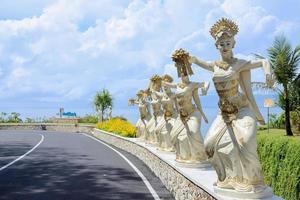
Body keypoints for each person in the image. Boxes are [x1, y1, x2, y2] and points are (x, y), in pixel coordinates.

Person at [187, 18, 274, 196]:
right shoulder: (214, 66)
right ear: (216, 46)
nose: (225, 46)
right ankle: (228, 179)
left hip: (242, 110)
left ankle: (254, 182)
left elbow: (263, 62)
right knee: (210, 145)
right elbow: (199, 62)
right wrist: (190, 59)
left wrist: (268, 72)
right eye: (221, 44)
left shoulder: (240, 64)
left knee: (246, 142)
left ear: (233, 43)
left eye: (228, 43)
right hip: (224, 112)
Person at [163, 49, 209, 167]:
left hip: (192, 113)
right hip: (181, 116)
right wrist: (159, 82)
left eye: (185, 72)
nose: (184, 75)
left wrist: (205, 89)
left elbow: (205, 83)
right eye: (181, 72)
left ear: (189, 73)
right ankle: (184, 156)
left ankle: (199, 156)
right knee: (174, 135)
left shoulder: (193, 85)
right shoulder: (178, 85)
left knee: (193, 132)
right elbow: (167, 84)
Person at [152, 74, 177, 152]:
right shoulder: (162, 95)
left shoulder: (173, 95)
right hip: (164, 116)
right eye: (163, 84)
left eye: (166, 84)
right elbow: (153, 91)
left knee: (170, 131)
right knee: (157, 130)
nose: (165, 86)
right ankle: (163, 145)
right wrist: (153, 82)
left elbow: (178, 107)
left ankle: (172, 146)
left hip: (173, 115)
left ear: (170, 84)